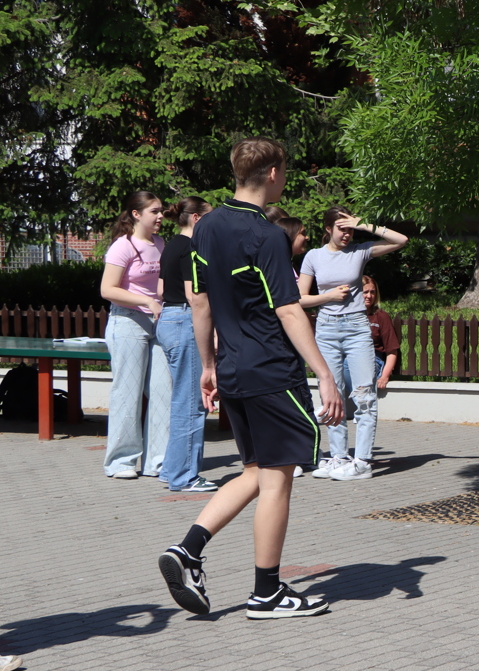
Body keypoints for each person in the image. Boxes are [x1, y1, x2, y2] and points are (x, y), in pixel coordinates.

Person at [155, 136, 344, 620]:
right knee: (278, 478)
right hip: (271, 369)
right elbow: (288, 309)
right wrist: (324, 374)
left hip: (234, 367)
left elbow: (198, 302)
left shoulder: (206, 227)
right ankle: (267, 593)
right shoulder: (268, 236)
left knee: (256, 471)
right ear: (274, 173)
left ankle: (187, 550)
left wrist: (209, 365)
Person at [298, 208, 408, 481]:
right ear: (328, 229)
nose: (347, 234)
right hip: (326, 328)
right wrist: (329, 296)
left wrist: (364, 224)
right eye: (341, 228)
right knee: (331, 395)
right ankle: (339, 457)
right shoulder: (314, 256)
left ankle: (362, 461)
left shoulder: (359, 251)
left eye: (350, 229)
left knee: (364, 395)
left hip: (357, 327)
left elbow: (401, 240)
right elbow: (300, 298)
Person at [99, 191, 173, 480]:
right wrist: (146, 301)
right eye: (154, 211)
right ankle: (121, 462)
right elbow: (108, 289)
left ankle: (159, 461)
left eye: (161, 211)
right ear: (136, 214)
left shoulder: (160, 243)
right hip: (128, 322)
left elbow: (162, 285)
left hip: (157, 324)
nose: (160, 216)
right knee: (127, 394)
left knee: (163, 392)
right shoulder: (123, 246)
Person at [155, 196, 216, 492]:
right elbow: (195, 296)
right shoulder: (192, 248)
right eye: (209, 218)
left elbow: (161, 289)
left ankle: (171, 470)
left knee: (182, 398)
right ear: (196, 218)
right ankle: (185, 477)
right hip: (184, 320)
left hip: (168, 318)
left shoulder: (171, 245)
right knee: (192, 402)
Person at [362, 276, 400, 397]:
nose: (369, 296)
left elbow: (392, 350)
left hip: (373, 359)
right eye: (365, 292)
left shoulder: (381, 316)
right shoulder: (348, 315)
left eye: (372, 292)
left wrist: (385, 376)